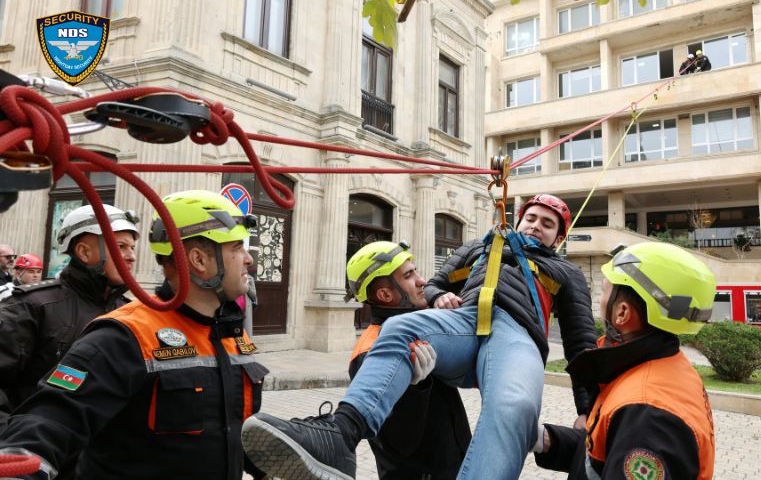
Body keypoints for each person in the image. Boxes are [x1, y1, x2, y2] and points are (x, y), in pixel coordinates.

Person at [242, 194, 597, 480]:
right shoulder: (481, 247)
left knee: (515, 409)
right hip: (467, 321)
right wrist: (438, 297)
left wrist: (587, 409)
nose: (535, 226)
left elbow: (580, 342)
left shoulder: (565, 272)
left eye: (547, 224)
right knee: (401, 328)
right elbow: (436, 284)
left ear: (559, 238)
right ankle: (341, 434)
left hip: (517, 335)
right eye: (531, 218)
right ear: (518, 220)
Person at [0, 190, 268, 479]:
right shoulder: (125, 334)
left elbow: (227, 429)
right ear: (199, 260)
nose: (248, 260)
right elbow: (52, 418)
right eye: (237, 248)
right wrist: (21, 466)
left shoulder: (232, 332)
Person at [533, 242, 716, 479]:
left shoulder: (647, 417)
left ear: (622, 312)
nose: (600, 300)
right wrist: (544, 439)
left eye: (604, 291)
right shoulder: (667, 367)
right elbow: (608, 451)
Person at [0, 204, 138, 425]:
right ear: (84, 252)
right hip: (37, 442)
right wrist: (14, 439)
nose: (131, 256)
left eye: (132, 247)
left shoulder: (130, 312)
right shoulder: (31, 306)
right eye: (121, 246)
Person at [345, 241, 471, 479]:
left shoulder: (423, 328)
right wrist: (415, 389)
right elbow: (398, 443)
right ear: (385, 295)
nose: (422, 281)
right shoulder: (372, 351)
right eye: (408, 276)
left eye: (416, 271)